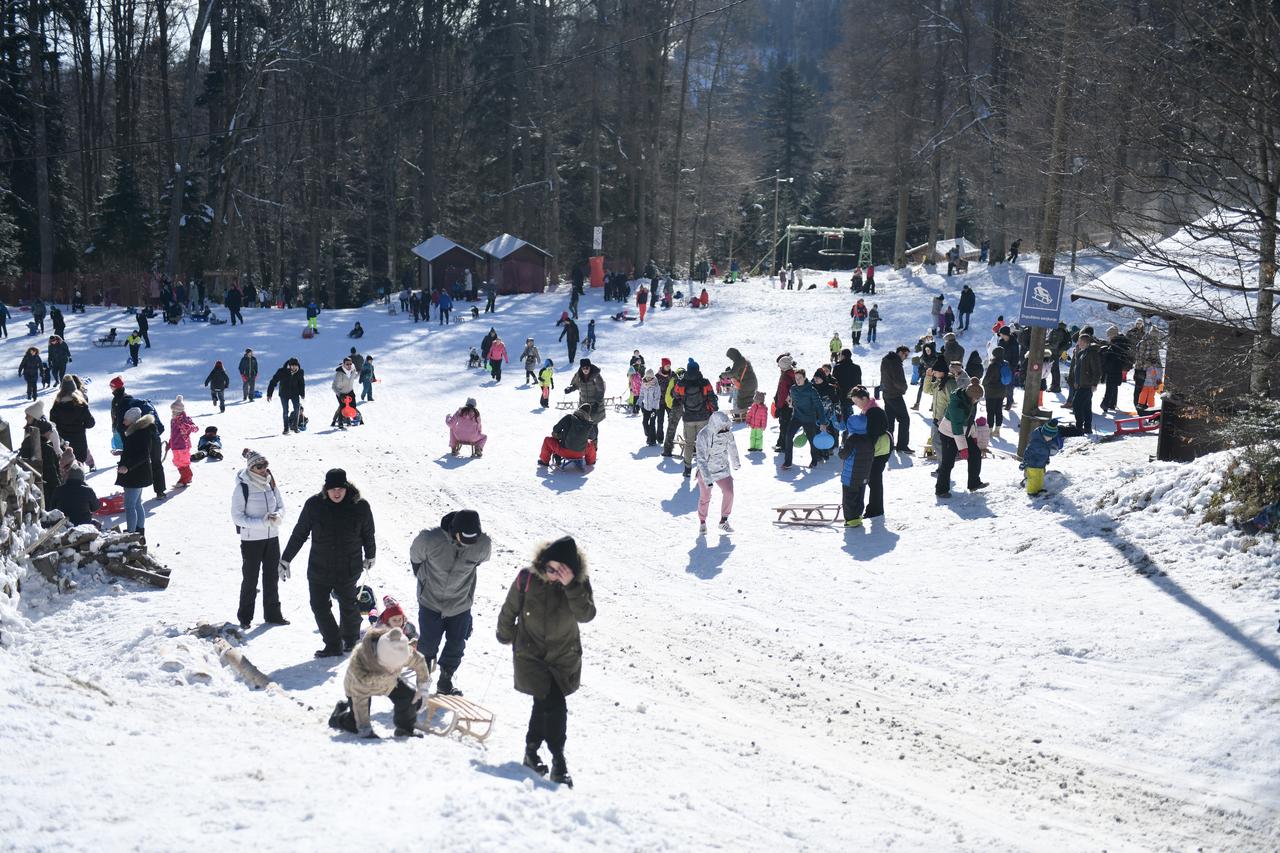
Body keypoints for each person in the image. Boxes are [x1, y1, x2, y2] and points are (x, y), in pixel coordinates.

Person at [496, 536, 596, 787]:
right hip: (530, 655)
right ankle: (558, 761)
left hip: (563, 657)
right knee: (554, 705)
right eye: (550, 569)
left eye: (560, 571)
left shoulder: (578, 584)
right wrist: (504, 634)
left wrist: (571, 585)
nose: (553, 575)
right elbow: (509, 610)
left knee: (544, 705)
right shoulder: (527, 578)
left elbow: (586, 615)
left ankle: (531, 752)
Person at [281, 468, 376, 658]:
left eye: (340, 488)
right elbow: (300, 533)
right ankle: (333, 643)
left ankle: (350, 639)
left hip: (348, 566)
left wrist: (370, 555)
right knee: (318, 605)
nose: (337, 493)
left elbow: (368, 533)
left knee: (348, 604)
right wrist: (286, 558)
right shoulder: (314, 505)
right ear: (326, 488)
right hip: (320, 565)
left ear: (346, 487)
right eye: (333, 489)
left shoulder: (360, 506)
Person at [409, 509, 491, 696]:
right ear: (454, 531)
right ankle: (423, 680)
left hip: (460, 604)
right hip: (430, 600)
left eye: (473, 540)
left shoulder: (483, 544)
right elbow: (416, 558)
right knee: (428, 644)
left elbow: (480, 561)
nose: (468, 544)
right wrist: (424, 580)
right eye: (464, 539)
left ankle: (445, 682)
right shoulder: (429, 539)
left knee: (456, 645)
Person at [328, 625, 431, 739]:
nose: (394, 669)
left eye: (398, 666)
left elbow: (419, 661)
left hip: (389, 682)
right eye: (391, 666)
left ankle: (405, 728)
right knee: (355, 723)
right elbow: (360, 699)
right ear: (380, 660)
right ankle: (336, 719)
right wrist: (364, 728)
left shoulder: (398, 648)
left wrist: (423, 688)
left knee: (409, 697)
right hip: (359, 687)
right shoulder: (360, 664)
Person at [232, 448, 288, 629]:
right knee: (250, 579)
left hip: (272, 537)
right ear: (250, 468)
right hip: (251, 541)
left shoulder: (271, 483)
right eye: (259, 466)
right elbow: (237, 517)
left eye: (265, 465)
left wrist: (278, 517)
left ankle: (273, 615)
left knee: (272, 577)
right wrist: (262, 523)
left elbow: (280, 505)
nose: (263, 469)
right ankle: (245, 617)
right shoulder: (243, 487)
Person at [936, 379, 987, 498]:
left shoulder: (971, 401)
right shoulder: (957, 405)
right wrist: (963, 449)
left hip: (964, 433)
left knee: (975, 453)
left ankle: (974, 482)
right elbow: (957, 429)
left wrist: (974, 437)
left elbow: (970, 421)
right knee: (948, 463)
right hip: (949, 434)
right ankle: (941, 489)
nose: (978, 401)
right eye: (977, 398)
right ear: (971, 396)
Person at [694, 411, 739, 534]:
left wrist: (736, 462)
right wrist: (707, 479)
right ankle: (702, 522)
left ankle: (723, 521)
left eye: (726, 426)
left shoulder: (727, 432)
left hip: (722, 467)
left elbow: (732, 446)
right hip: (706, 470)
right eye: (722, 427)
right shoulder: (703, 435)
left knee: (729, 492)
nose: (725, 429)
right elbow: (701, 458)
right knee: (705, 497)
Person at [673, 359, 717, 477]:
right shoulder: (705, 382)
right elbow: (712, 397)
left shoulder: (681, 384)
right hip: (703, 417)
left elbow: (675, 395)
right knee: (703, 443)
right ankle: (702, 469)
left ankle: (687, 469)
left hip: (688, 418)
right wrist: (714, 411)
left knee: (689, 444)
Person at [115, 407, 155, 536]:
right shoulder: (137, 431)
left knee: (130, 506)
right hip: (137, 473)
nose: (123, 422)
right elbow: (135, 451)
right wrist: (122, 452)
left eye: (126, 420)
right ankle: (139, 530)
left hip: (135, 474)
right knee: (137, 503)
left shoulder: (141, 433)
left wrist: (127, 467)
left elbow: (143, 455)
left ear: (133, 421)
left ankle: (131, 533)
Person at [49, 377, 94, 465]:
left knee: (65, 470)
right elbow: (91, 423)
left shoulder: (56, 406)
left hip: (63, 444)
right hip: (79, 443)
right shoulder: (81, 405)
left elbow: (52, 424)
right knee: (79, 470)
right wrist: (81, 425)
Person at [539, 404, 599, 468]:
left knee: (547, 440)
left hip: (564, 451)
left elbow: (555, 429)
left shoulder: (569, 417)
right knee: (590, 443)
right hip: (581, 453)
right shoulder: (588, 424)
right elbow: (593, 437)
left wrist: (560, 435)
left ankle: (544, 461)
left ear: (579, 409)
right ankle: (591, 461)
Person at [879, 347, 913, 453]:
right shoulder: (895, 363)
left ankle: (889, 444)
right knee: (904, 419)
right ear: (900, 352)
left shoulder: (886, 360)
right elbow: (898, 381)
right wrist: (904, 388)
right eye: (905, 355)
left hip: (886, 393)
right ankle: (902, 445)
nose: (905, 357)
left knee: (890, 420)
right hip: (894, 395)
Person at [1067, 334, 1103, 433]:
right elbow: (1078, 368)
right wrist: (1076, 381)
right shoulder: (1083, 352)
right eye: (1079, 341)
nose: (1079, 343)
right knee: (1086, 406)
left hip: (1087, 384)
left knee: (1076, 404)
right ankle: (1087, 427)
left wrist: (1094, 384)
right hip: (1081, 384)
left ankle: (1079, 426)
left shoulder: (1092, 353)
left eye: (1081, 341)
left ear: (1086, 342)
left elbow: (1097, 370)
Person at [1021, 419, 1063, 496]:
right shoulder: (1036, 442)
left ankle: (1038, 489)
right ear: (1044, 434)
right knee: (1033, 478)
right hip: (1032, 464)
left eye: (1051, 437)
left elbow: (1046, 453)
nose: (1050, 438)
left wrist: (1047, 459)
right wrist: (1025, 462)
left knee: (1040, 477)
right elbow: (1028, 452)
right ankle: (1031, 491)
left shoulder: (1046, 442)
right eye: (1048, 436)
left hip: (1041, 464)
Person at [266, 357, 306, 434]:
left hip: (295, 394)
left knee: (297, 409)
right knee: (285, 411)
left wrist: (302, 394)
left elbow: (301, 383)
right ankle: (286, 428)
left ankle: (295, 427)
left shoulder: (300, 372)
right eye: (292, 365)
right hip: (284, 394)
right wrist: (269, 394)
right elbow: (273, 382)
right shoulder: (282, 371)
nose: (294, 367)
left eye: (296, 365)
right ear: (289, 366)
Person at [565, 358, 607, 429]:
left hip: (595, 405)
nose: (585, 370)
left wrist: (597, 403)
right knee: (583, 425)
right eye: (583, 368)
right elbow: (575, 385)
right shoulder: (579, 375)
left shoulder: (596, 375)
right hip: (584, 405)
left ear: (590, 367)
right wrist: (570, 389)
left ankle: (594, 440)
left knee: (593, 425)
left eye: (587, 367)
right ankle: (585, 440)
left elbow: (601, 389)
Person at [168, 397, 197, 487]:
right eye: (172, 411)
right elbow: (173, 433)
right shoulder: (173, 420)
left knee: (183, 461)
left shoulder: (185, 419)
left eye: (175, 411)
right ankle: (187, 476)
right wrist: (170, 442)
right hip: (175, 444)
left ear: (180, 411)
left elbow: (195, 428)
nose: (173, 413)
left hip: (183, 444)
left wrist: (188, 426)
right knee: (177, 461)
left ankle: (185, 478)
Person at [982, 346, 1009, 439]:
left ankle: (989, 430)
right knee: (998, 411)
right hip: (1002, 391)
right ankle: (997, 430)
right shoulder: (1005, 364)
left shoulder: (993, 365)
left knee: (990, 411)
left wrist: (983, 384)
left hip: (991, 392)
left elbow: (987, 379)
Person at [330, 357, 357, 430]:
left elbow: (356, 376)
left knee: (353, 406)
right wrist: (340, 395)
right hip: (341, 392)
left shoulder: (353, 370)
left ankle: (348, 419)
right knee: (342, 406)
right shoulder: (339, 374)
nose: (349, 365)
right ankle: (340, 422)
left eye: (350, 364)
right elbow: (333, 387)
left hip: (350, 391)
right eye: (347, 364)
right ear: (343, 364)